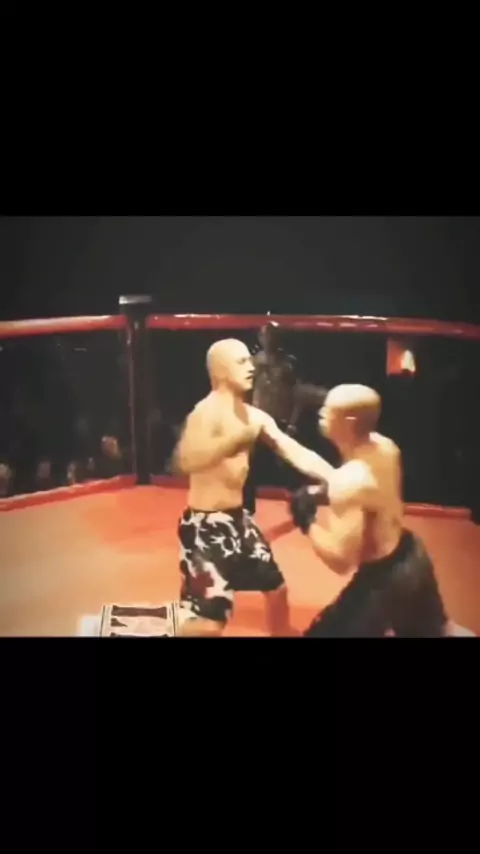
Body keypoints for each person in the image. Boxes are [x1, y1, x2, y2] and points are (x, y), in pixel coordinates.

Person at [172, 338, 334, 637]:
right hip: (205, 528)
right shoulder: (204, 413)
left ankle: (281, 633)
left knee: (276, 589)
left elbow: (295, 451)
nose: (251, 368)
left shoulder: (254, 417)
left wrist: (336, 477)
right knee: (209, 624)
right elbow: (186, 460)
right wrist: (233, 441)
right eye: (241, 362)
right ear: (220, 371)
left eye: (250, 360)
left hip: (238, 521)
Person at [288, 384, 449, 637]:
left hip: (385, 580)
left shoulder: (350, 481)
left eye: (328, 410)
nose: (321, 412)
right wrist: (321, 493)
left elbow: (340, 560)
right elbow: (371, 493)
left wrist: (307, 521)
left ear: (349, 422)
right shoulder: (386, 448)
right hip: (412, 554)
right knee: (437, 632)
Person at [243, 321, 328, 514]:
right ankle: (247, 508)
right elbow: (247, 391)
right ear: (260, 337)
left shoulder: (287, 364)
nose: (268, 338)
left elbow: (296, 394)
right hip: (257, 419)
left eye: (272, 334)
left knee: (290, 464)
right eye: (265, 334)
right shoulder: (253, 362)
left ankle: (300, 506)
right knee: (249, 465)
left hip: (279, 420)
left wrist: (292, 422)